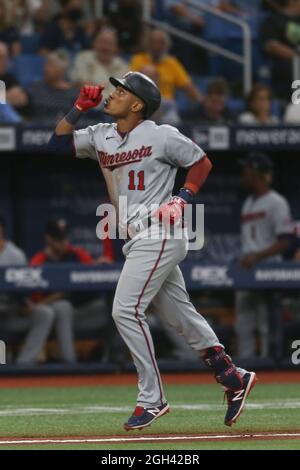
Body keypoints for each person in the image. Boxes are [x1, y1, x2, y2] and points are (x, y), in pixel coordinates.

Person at [47, 71, 257, 430]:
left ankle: (152, 398)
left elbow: (201, 162)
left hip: (161, 231)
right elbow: (55, 146)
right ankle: (232, 376)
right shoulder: (101, 135)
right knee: (179, 314)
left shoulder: (160, 134)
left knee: (124, 311)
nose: (112, 94)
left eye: (121, 90)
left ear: (137, 103)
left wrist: (183, 197)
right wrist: (78, 108)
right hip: (136, 239)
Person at [236, 153, 293, 359]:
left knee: (266, 324)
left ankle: (271, 369)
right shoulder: (248, 203)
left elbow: (285, 241)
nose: (243, 173)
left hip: (268, 269)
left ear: (255, 173)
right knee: (243, 325)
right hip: (246, 269)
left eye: (246, 169)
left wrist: (257, 256)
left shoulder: (276, 202)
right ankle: (245, 369)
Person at [130, 29, 203, 104]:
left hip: (166, 105)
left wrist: (201, 102)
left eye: (161, 42)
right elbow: (131, 84)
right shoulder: (137, 59)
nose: (156, 46)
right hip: (143, 102)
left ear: (167, 45)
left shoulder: (172, 63)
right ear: (147, 44)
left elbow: (188, 87)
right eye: (153, 42)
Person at [70, 28, 128, 100]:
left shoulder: (123, 66)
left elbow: (122, 95)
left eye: (109, 43)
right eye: (102, 41)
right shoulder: (83, 58)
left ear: (116, 48)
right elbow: (85, 87)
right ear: (94, 43)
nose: (105, 47)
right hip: (87, 107)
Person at [26, 50, 79, 125]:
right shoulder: (34, 89)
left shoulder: (73, 94)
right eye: (45, 65)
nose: (45, 69)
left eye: (50, 66)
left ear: (61, 71)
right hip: (38, 129)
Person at [261, 0, 300, 99]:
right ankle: (296, 104)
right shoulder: (273, 20)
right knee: (294, 66)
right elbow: (270, 45)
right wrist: (296, 56)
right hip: (284, 63)